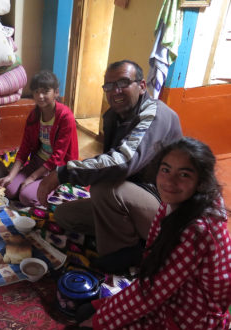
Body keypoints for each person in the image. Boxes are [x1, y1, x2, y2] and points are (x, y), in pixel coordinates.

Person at [75, 137, 231, 330]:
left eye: (184, 174)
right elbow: (155, 276)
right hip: (172, 300)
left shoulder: (196, 229)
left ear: (201, 181)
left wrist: (102, 320)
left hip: (186, 324)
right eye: (165, 169)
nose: (169, 181)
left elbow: (151, 292)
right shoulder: (181, 203)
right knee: (85, 311)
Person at [37, 60, 182, 268]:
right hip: (132, 198)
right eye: (109, 86)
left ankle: (124, 257)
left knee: (104, 188)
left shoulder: (155, 114)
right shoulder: (113, 117)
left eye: (123, 83)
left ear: (142, 86)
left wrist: (62, 173)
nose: (116, 91)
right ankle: (135, 238)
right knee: (64, 215)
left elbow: (121, 163)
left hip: (164, 208)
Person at [0, 70, 78, 207]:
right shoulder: (34, 116)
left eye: (45, 91)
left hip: (57, 168)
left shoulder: (65, 117)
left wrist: (31, 178)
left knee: (25, 196)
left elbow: (58, 157)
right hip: (38, 161)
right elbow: (24, 149)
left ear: (56, 92)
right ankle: (32, 184)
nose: (40, 96)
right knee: (8, 190)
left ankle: (56, 185)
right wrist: (11, 176)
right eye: (36, 92)